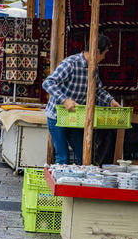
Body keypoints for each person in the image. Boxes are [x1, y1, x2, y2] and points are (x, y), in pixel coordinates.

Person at [42, 34, 121, 164]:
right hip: (57, 116)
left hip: (76, 117)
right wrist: (65, 100)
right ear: (96, 52)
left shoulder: (94, 67)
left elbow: (97, 90)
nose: (104, 57)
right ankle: (61, 183)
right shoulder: (71, 64)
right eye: (104, 53)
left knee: (84, 155)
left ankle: (78, 183)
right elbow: (48, 82)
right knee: (63, 157)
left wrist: (110, 100)